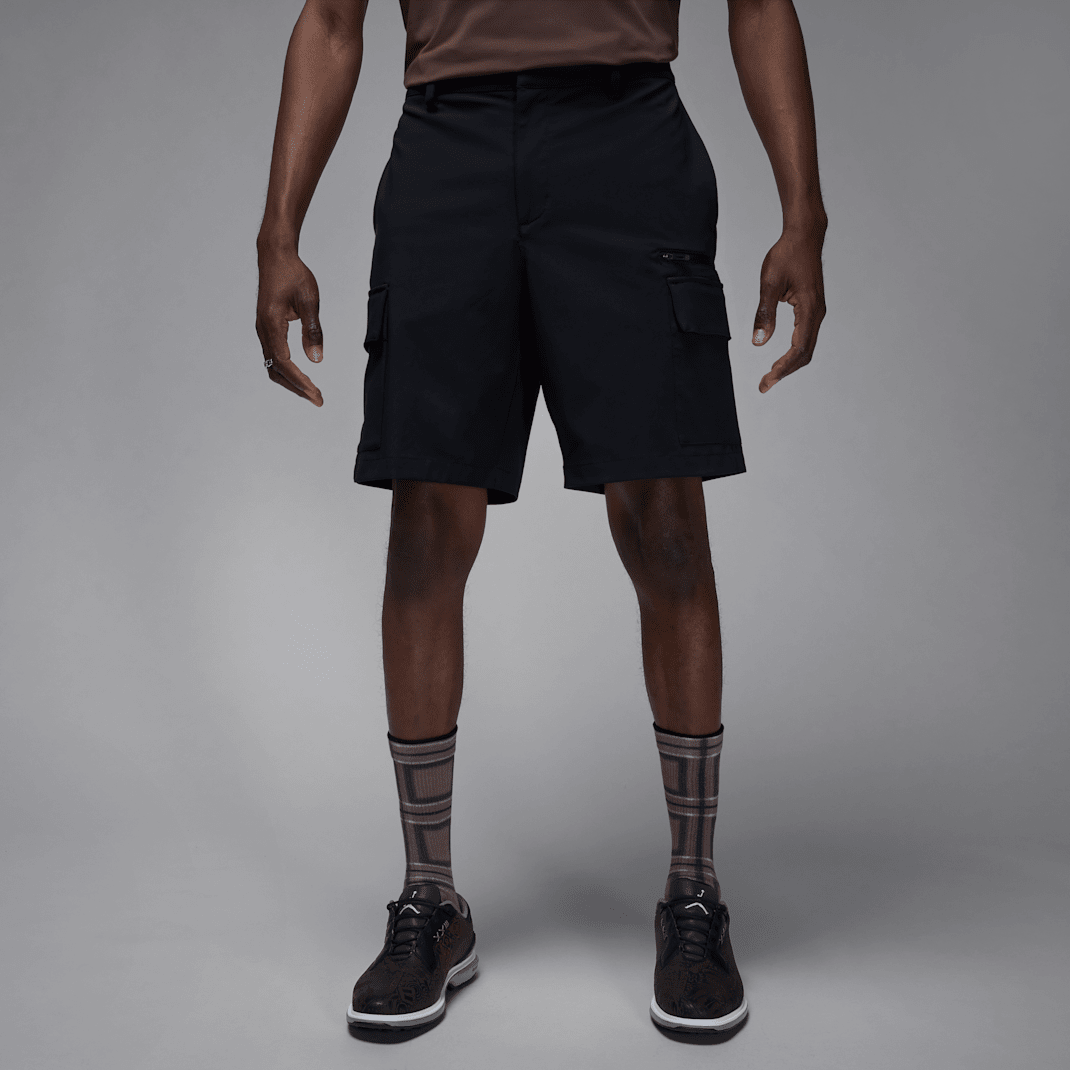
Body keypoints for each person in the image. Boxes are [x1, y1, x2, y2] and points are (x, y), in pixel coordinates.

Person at [255, 0, 826, 1036]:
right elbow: (333, 19)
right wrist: (277, 233)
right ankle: (430, 897)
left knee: (664, 523)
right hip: (449, 144)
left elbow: (757, 4)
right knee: (427, 521)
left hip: (626, 139)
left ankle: (693, 893)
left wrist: (803, 214)